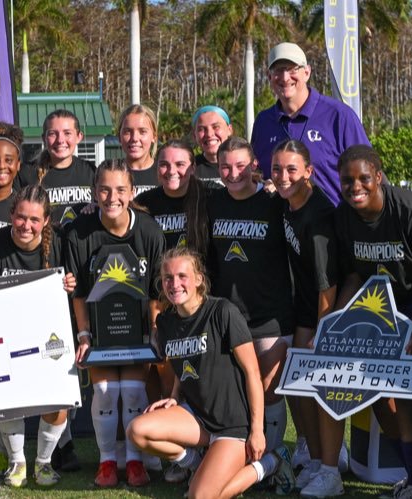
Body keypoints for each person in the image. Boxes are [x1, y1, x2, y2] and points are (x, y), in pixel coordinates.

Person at [332, 145, 412, 498]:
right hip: (379, 309)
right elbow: (351, 276)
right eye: (347, 180)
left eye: (363, 178)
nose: (355, 186)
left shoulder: (411, 210)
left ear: (379, 176)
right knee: (373, 388)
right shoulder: (343, 217)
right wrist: (335, 324)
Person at [127, 247, 269, 499]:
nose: (174, 284)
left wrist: (256, 431)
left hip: (231, 425)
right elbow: (186, 363)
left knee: (199, 497)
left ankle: (265, 466)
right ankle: (194, 462)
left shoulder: (222, 312)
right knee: (137, 431)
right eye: (168, 278)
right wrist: (174, 395)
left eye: (182, 276)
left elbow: (253, 373)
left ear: (199, 279)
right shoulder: (166, 322)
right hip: (197, 418)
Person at [63, 160, 167, 488]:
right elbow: (79, 291)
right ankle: (108, 461)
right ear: (95, 192)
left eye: (120, 189)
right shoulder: (78, 233)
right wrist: (83, 335)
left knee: (134, 392)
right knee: (107, 393)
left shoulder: (149, 230)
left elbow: (155, 291)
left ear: (131, 192)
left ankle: (134, 461)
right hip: (98, 333)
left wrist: (152, 331)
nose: (112, 197)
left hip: (136, 331)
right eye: (105, 189)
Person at [205, 136, 297, 491]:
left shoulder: (274, 202)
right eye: (226, 167)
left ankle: (272, 461)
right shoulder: (213, 203)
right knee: (240, 391)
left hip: (271, 314)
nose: (233, 173)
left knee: (269, 390)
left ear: (254, 165)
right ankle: (252, 461)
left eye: (240, 166)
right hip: (229, 316)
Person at [0, 185, 79, 487]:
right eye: (21, 217)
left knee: (59, 399)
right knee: (9, 396)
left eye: (34, 220)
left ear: (46, 221)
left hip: (50, 337)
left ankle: (43, 463)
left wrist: (71, 285)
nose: (26, 226)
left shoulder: (59, 244)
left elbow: (76, 289)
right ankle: (17, 461)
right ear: (11, 215)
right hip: (6, 335)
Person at [268, 139, 342, 497]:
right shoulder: (288, 205)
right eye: (277, 169)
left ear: (309, 172)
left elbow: (328, 283)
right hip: (302, 308)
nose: (283, 177)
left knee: (315, 389)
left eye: (292, 170)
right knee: (296, 387)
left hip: (323, 311)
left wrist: (324, 328)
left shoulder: (318, 214)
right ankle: (315, 458)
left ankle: (330, 467)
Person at [250, 42, 370, 206]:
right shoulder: (264, 122)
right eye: (278, 70)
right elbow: (257, 174)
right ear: (269, 77)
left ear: (307, 72)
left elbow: (368, 169)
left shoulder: (338, 116)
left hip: (332, 225)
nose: (285, 77)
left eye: (293, 69)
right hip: (279, 226)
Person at [19, 109, 96, 225]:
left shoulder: (91, 171)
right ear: (43, 138)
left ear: (79, 136)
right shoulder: (27, 173)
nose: (60, 140)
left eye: (67, 133)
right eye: (52, 134)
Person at [134, 141, 210, 254]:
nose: (171, 171)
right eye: (164, 165)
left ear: (193, 168)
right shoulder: (143, 203)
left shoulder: (209, 195)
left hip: (200, 270)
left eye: (180, 164)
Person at [117, 105, 161, 195]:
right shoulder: (110, 173)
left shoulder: (164, 173)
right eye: (127, 131)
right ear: (119, 137)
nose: (134, 138)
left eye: (142, 132)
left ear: (154, 137)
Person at [190, 106, 231, 185]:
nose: (209, 134)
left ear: (229, 130)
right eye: (202, 129)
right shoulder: (187, 169)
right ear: (194, 136)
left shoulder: (245, 167)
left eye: (216, 127)